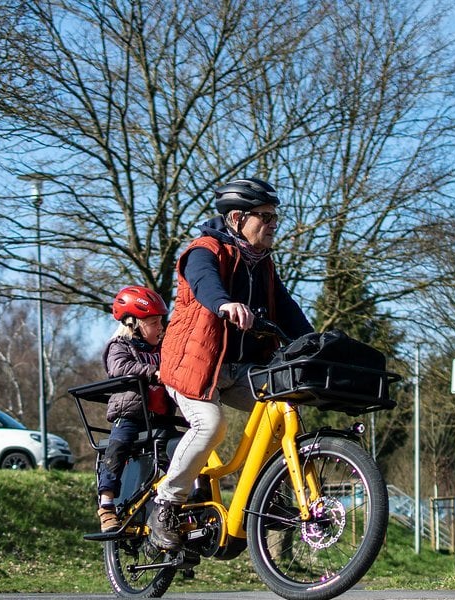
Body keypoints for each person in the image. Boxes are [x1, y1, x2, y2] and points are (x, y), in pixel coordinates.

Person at [146, 178, 313, 550]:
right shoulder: (204, 251)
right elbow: (205, 283)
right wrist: (224, 304)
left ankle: (266, 496)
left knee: (283, 409)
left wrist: (314, 342)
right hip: (194, 366)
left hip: (239, 369)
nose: (273, 224)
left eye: (275, 217)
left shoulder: (263, 266)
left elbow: (288, 311)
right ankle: (167, 503)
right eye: (265, 217)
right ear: (237, 218)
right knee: (212, 425)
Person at [95, 286, 172, 532]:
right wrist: (154, 372)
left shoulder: (162, 351)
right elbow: (119, 368)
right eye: (153, 322)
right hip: (131, 414)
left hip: (160, 418)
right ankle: (106, 503)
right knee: (118, 446)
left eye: (161, 321)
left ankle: (176, 505)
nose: (160, 327)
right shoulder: (119, 345)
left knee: (184, 448)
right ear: (132, 323)